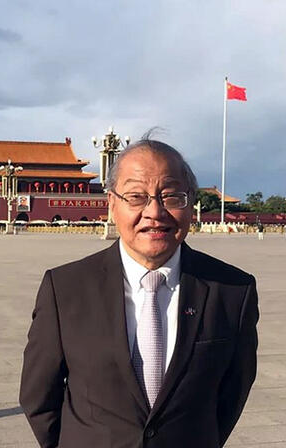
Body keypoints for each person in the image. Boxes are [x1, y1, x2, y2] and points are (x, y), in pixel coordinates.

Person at [20, 135, 259, 448]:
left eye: (171, 197)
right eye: (136, 197)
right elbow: (38, 397)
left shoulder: (231, 292)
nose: (154, 212)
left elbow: (232, 394)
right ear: (112, 204)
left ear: (189, 204)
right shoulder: (65, 289)